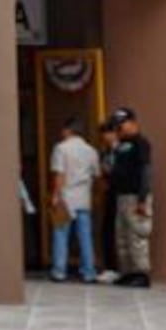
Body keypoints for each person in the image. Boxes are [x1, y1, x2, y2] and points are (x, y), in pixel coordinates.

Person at [47, 116, 101, 283]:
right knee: (85, 236)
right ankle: (89, 272)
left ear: (68, 130)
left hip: (66, 197)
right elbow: (97, 175)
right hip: (84, 197)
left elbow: (59, 175)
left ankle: (59, 270)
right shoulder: (91, 150)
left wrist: (55, 196)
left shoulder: (61, 149)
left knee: (61, 234)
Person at [106, 108, 154, 288]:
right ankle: (127, 271)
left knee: (137, 236)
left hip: (136, 196)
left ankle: (141, 273)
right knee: (122, 236)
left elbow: (145, 171)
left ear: (133, 122)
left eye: (122, 124)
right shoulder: (120, 146)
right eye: (117, 125)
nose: (119, 128)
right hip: (122, 196)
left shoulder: (141, 144)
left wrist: (142, 199)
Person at [91, 118, 119, 281]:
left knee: (116, 231)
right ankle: (110, 267)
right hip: (109, 194)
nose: (104, 139)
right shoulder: (105, 152)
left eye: (106, 134)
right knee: (107, 229)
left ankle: (116, 267)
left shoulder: (120, 150)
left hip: (119, 193)